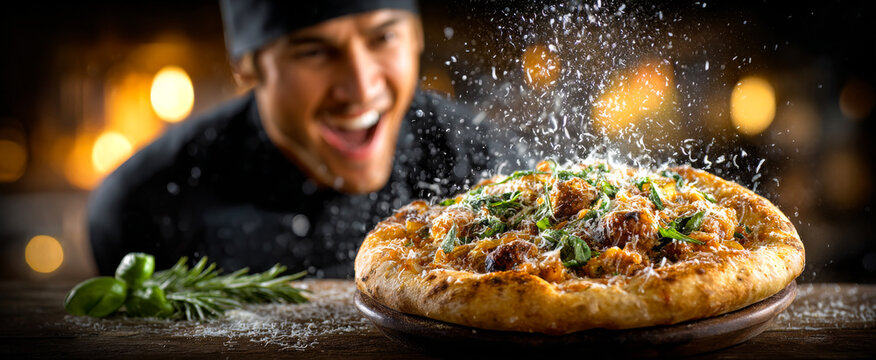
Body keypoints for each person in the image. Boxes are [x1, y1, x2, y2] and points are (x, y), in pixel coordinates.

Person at [88, 0, 517, 277]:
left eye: (383, 37)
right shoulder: (146, 207)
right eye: (314, 51)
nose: (362, 88)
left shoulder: (493, 171)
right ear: (247, 66)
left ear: (417, 35)